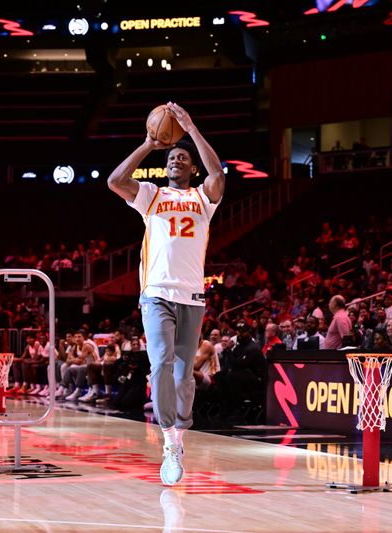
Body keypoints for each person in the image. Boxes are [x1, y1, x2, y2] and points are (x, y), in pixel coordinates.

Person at [107, 101, 224, 486]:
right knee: (160, 364)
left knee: (183, 374)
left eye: (182, 157)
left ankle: (178, 435)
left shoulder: (203, 200)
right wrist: (147, 143)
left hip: (191, 296)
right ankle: (169, 441)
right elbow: (115, 180)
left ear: (191, 168)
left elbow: (218, 174)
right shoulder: (151, 195)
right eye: (172, 156)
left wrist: (190, 129)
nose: (176, 159)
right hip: (155, 293)